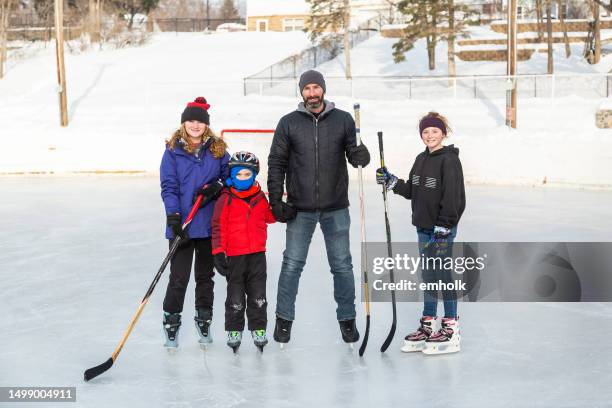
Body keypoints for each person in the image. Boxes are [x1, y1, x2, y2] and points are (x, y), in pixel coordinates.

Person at [267, 70, 371, 345]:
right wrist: (276, 200)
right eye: (307, 89)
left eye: (316, 88)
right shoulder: (288, 123)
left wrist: (362, 154)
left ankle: (347, 320)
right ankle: (284, 320)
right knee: (291, 264)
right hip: (299, 208)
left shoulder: (344, 120)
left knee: (342, 266)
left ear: (323, 89)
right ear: (301, 92)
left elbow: (355, 153)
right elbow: (276, 162)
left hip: (335, 207)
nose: (312, 93)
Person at [376, 111, 466, 355]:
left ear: (443, 133)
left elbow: (453, 197)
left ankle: (450, 326)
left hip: (441, 229)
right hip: (423, 228)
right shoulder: (420, 158)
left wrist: (444, 226)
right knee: (428, 275)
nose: (430, 135)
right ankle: (429, 323)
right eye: (425, 132)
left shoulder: (449, 161)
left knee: (442, 274)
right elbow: (413, 190)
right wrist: (392, 181)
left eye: (435, 131)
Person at [160, 96, 230, 348]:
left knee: (205, 277)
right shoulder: (172, 151)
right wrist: (174, 216)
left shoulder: (218, 149)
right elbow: (169, 186)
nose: (195, 125)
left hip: (209, 224)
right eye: (190, 120)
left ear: (206, 125)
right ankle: (171, 323)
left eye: (200, 121)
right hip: (182, 225)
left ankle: (204, 319)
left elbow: (230, 176)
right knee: (178, 277)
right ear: (183, 123)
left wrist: (218, 185)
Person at [211, 151, 276, 352]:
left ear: (254, 175)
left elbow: (269, 216)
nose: (242, 178)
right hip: (234, 256)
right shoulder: (226, 198)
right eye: (238, 175)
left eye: (247, 175)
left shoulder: (260, 196)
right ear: (232, 175)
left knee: (258, 295)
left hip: (257, 254)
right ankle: (234, 329)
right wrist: (218, 251)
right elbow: (217, 226)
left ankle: (258, 328)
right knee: (235, 296)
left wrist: (283, 210)